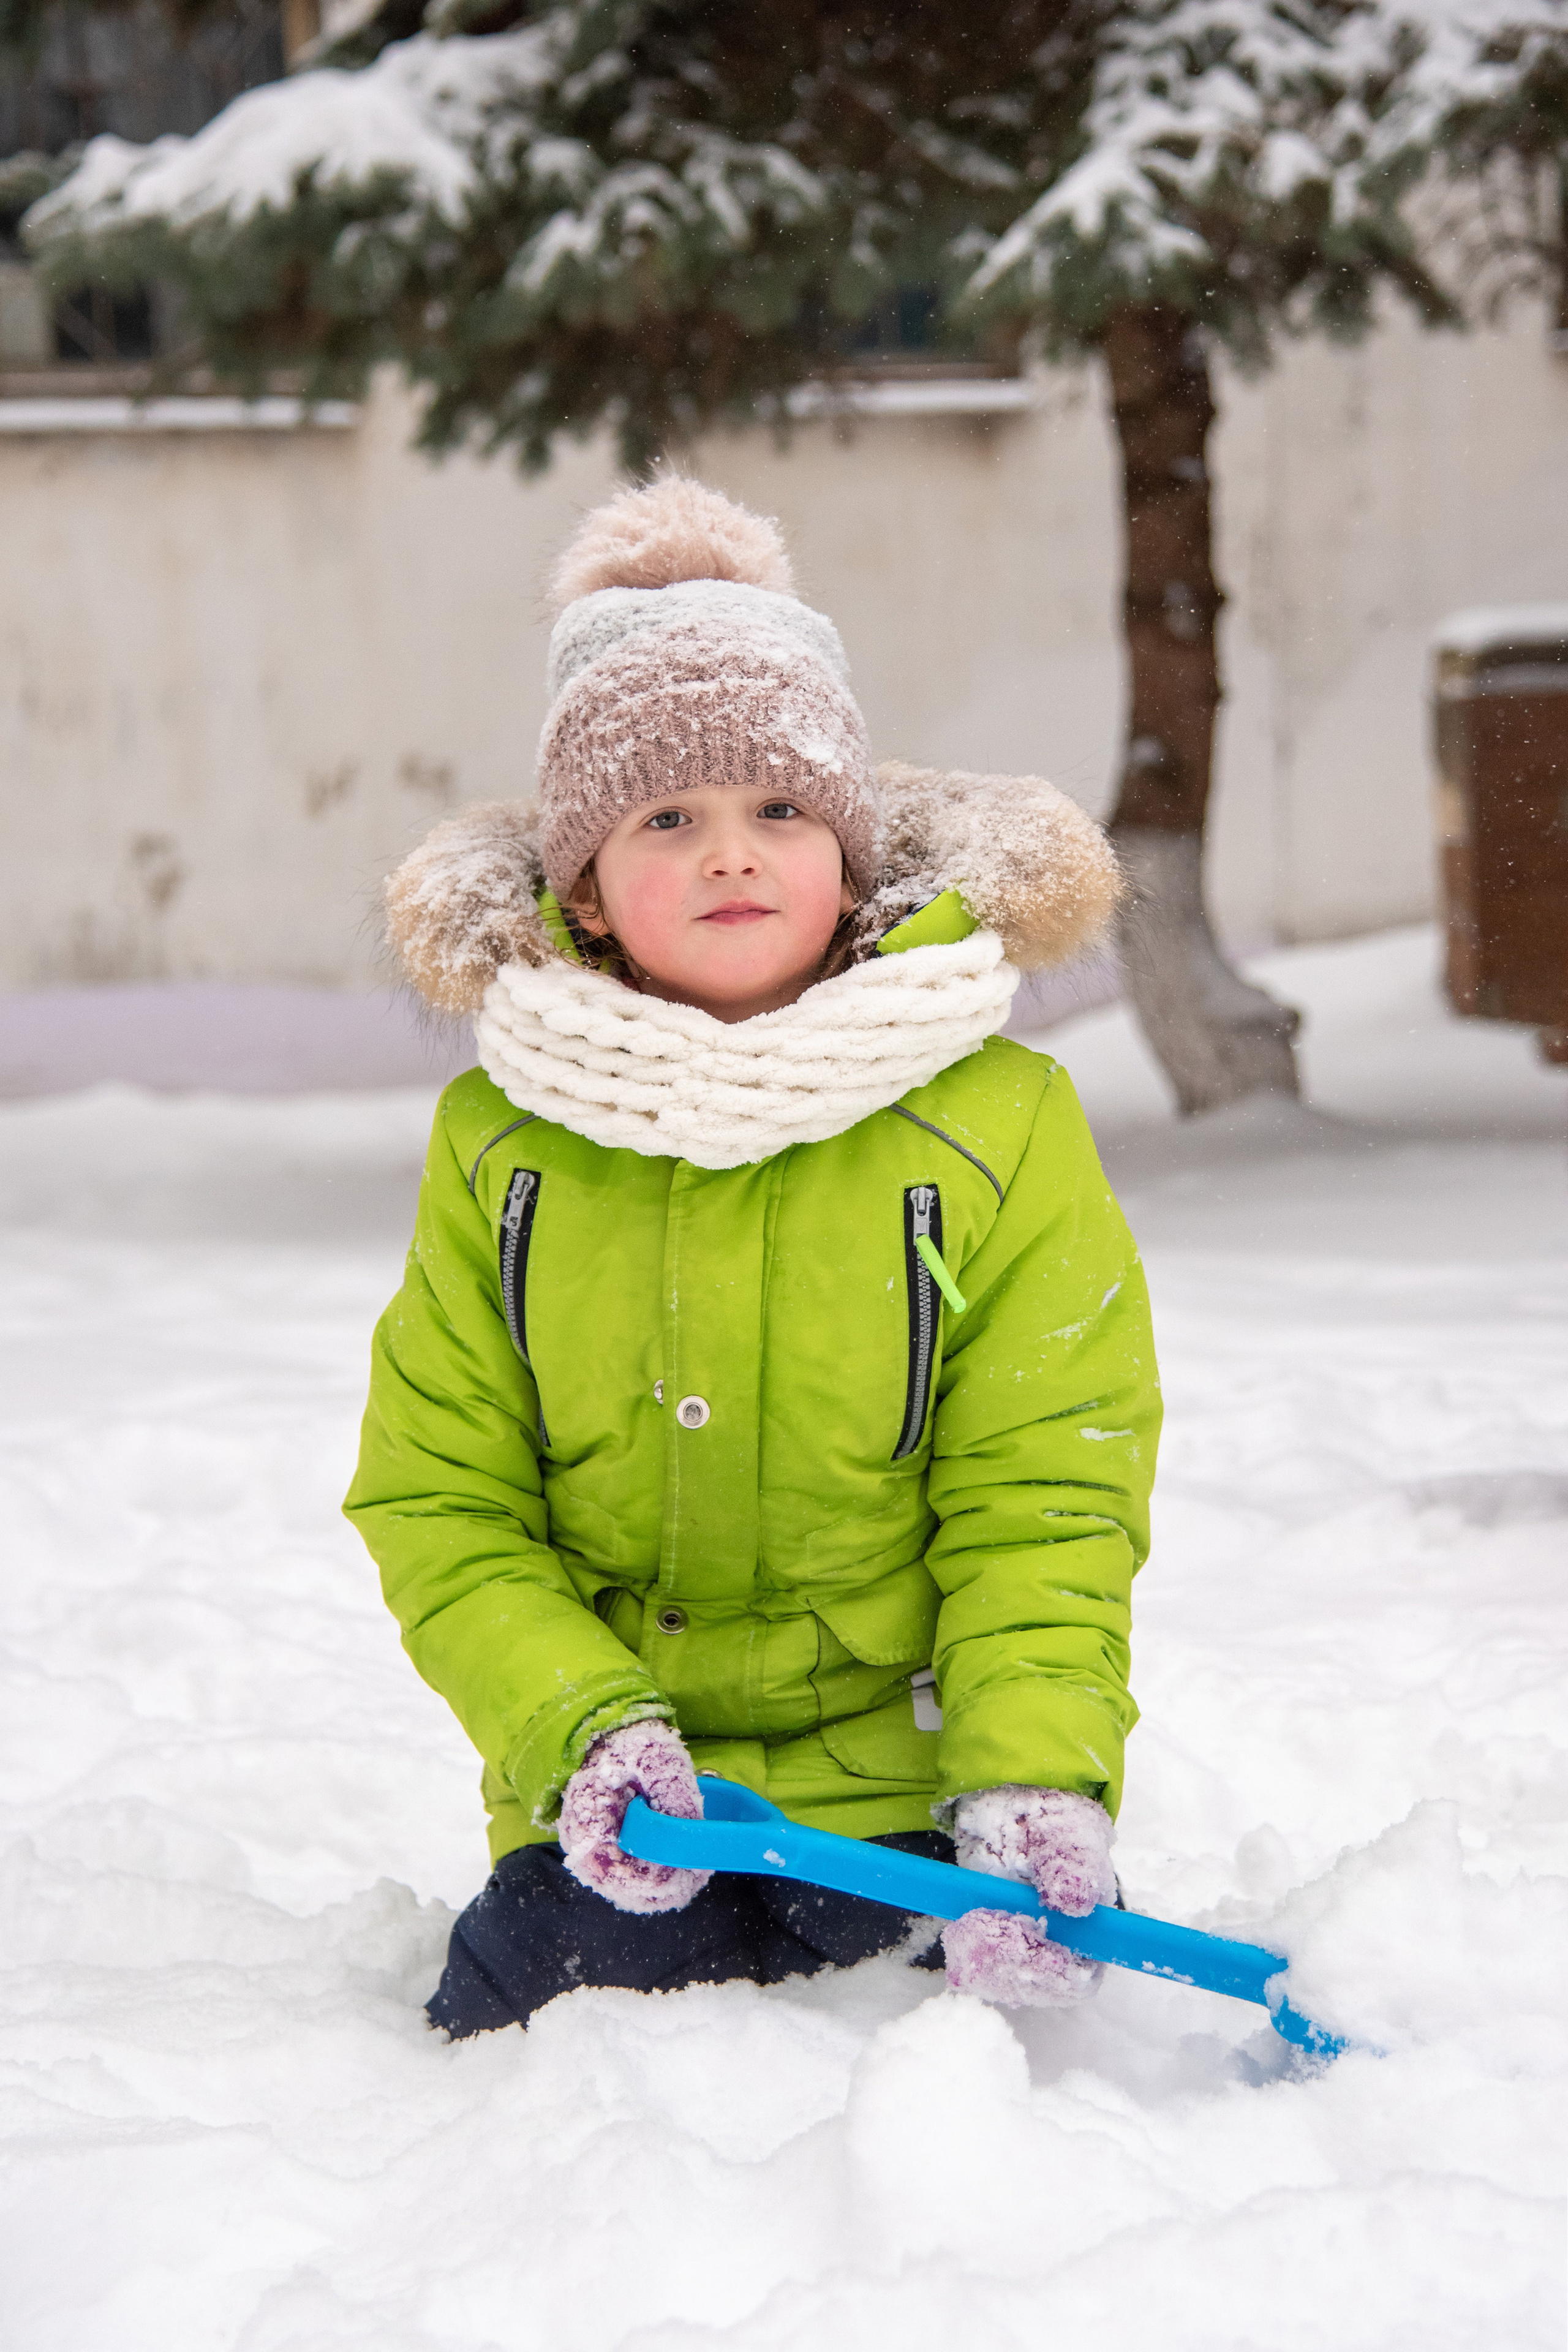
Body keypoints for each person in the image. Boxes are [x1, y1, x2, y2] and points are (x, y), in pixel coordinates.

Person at [345, 478, 1161, 2036]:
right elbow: (438, 1493)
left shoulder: (994, 1123)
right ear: (582, 887)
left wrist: (1028, 1775)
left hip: (897, 1791)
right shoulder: (505, 1145)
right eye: (668, 819)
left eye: (780, 809)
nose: (734, 855)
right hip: (623, 1808)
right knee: (540, 2030)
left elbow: (1046, 1485)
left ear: (847, 855)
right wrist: (575, 1729)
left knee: (945, 2040)